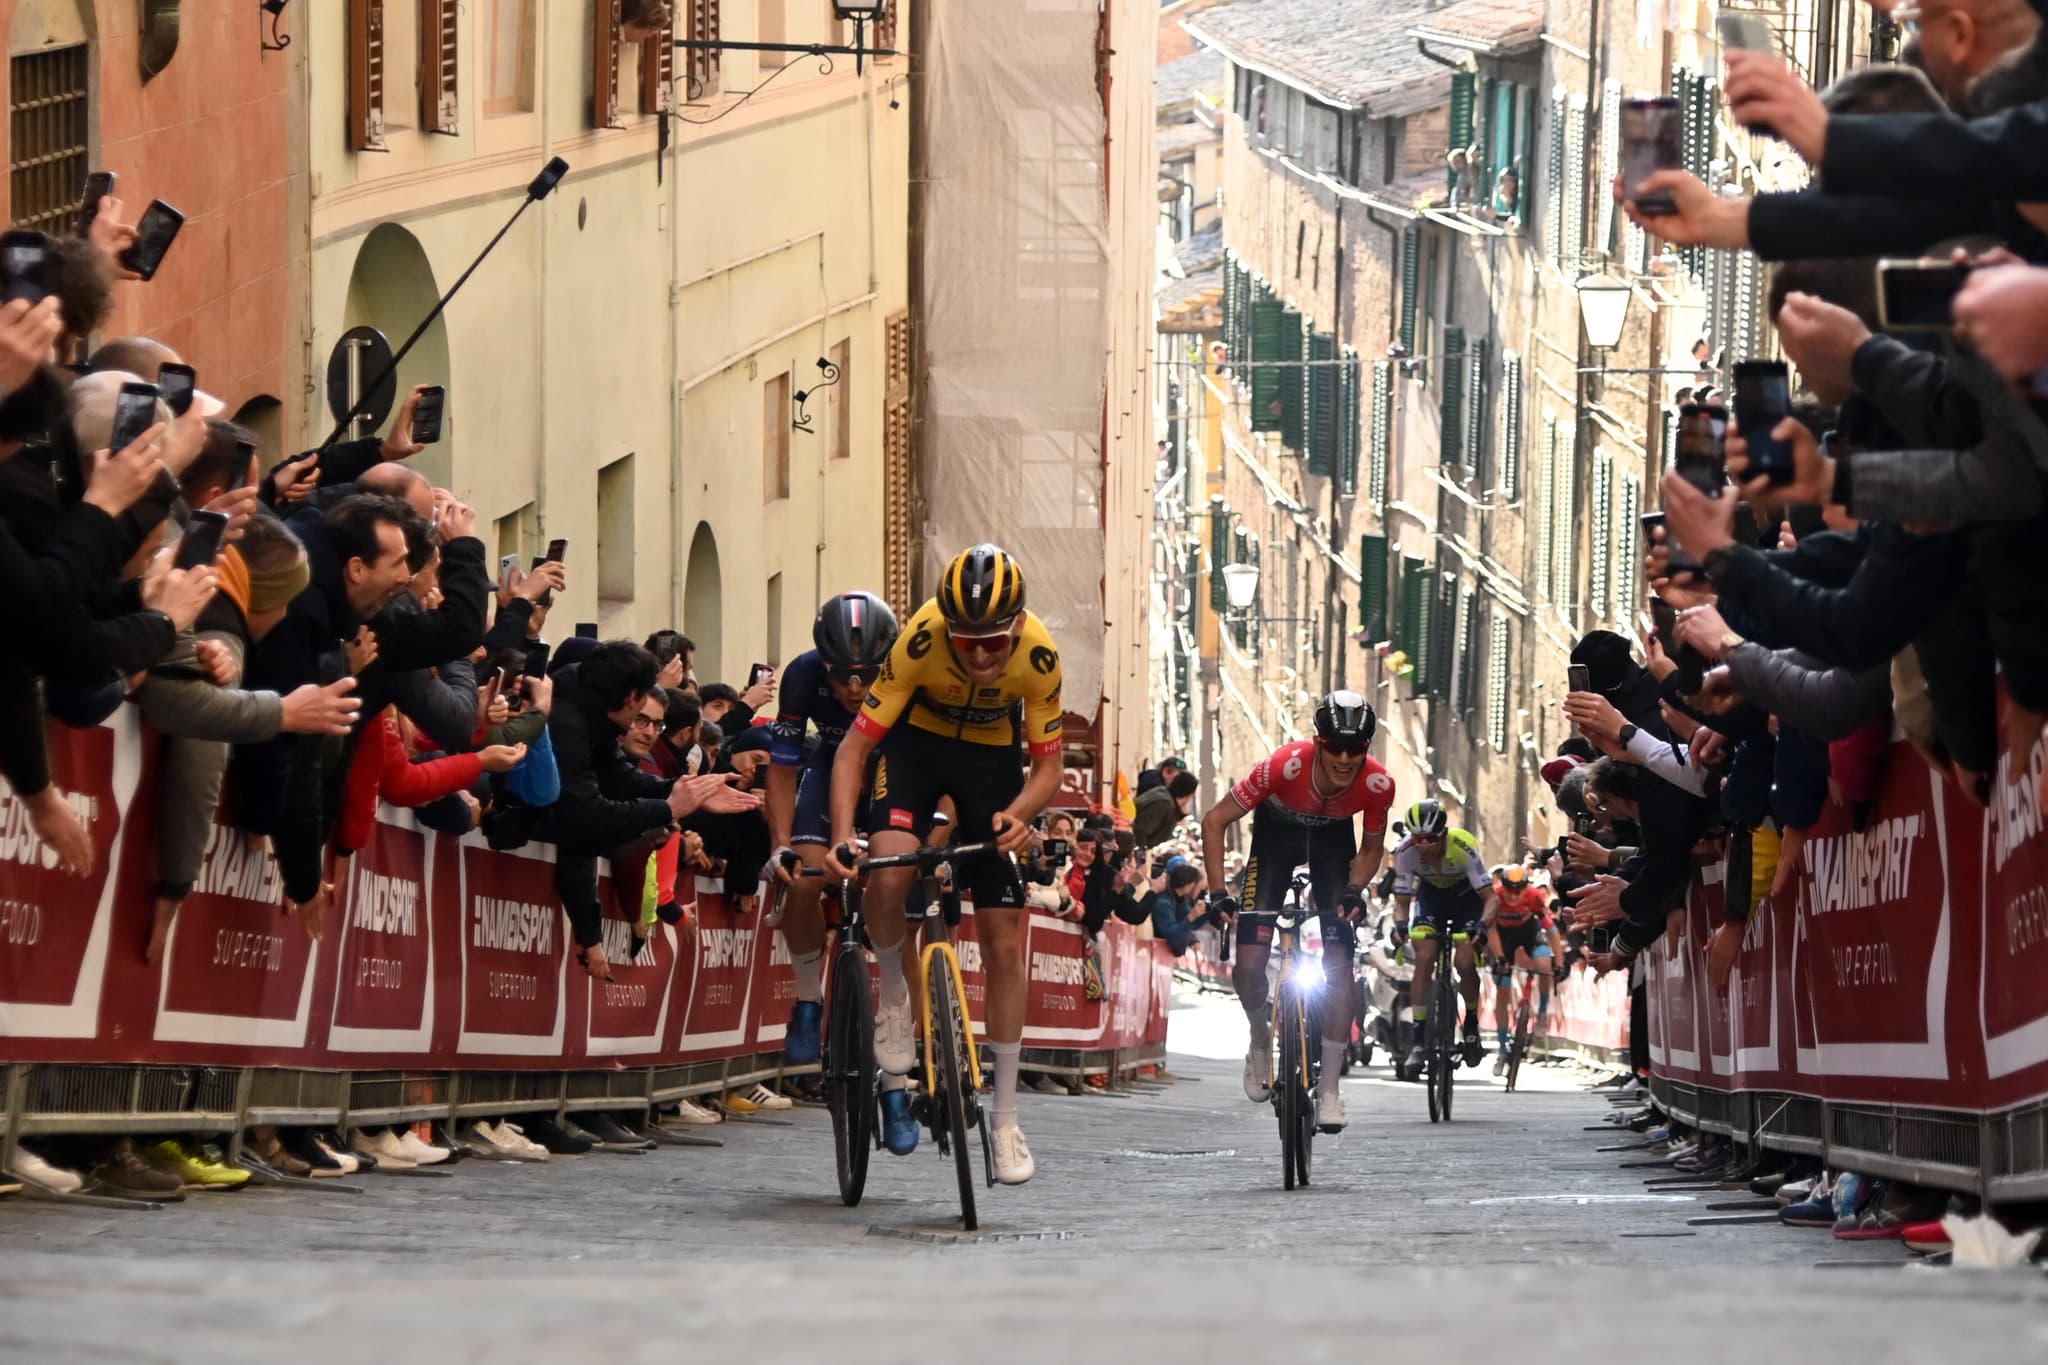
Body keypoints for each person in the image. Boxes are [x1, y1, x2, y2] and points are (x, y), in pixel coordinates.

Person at [824, 544, 1064, 1184]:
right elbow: (853, 750)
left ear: (1016, 628)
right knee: (888, 869)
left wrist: (1020, 813)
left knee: (1005, 942)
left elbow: (1047, 767)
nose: (982, 657)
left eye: (994, 643)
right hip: (915, 753)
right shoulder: (920, 640)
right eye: (967, 642)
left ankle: (1007, 1119)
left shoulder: (1039, 656)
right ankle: (896, 1002)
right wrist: (845, 835)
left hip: (990, 765)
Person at [1198, 689, 1391, 1132]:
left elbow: (1372, 846)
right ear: (1318, 742)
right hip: (1274, 844)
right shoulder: (1285, 764)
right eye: (1334, 747)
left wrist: (1355, 889)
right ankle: (1261, 1037)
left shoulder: (1378, 784)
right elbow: (1214, 819)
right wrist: (1216, 892)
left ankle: (1329, 1090)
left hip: (1331, 852)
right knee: (1248, 966)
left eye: (1356, 749)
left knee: (1340, 966)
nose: (1344, 758)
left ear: (1367, 748)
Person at [764, 590, 900, 1064]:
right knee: (803, 880)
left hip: (895, 773)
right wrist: (780, 844)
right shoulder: (801, 675)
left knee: (903, 883)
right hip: (829, 767)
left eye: (867, 676)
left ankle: (902, 1030)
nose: (856, 689)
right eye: (842, 676)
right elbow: (781, 770)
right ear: (824, 666)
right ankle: (807, 998)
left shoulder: (909, 671)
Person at [1390, 798, 1496, 1080]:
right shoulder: (1405, 852)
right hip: (1431, 898)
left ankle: (1471, 1026)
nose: (1423, 845)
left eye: (1430, 839)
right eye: (1418, 839)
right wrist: (1400, 925)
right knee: (1424, 958)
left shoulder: (1462, 847)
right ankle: (1418, 1039)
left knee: (1464, 962)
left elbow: (1490, 898)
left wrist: (1483, 926)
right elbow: (1401, 901)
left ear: (1444, 834)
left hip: (1467, 899)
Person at [1483, 863, 1555, 1075]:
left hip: (1528, 932)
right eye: (1509, 890)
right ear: (1502, 885)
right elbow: (1491, 931)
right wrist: (1500, 957)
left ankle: (1542, 1012)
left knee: (1545, 966)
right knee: (1502, 991)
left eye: (1518, 890)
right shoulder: (1495, 896)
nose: (1514, 896)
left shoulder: (1533, 895)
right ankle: (1503, 1049)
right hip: (1503, 939)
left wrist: (1558, 963)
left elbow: (1551, 930)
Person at [1131, 768, 1198, 849]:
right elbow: (1140, 831)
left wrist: (1183, 814)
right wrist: (1139, 856)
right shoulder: (1164, 804)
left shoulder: (1164, 795)